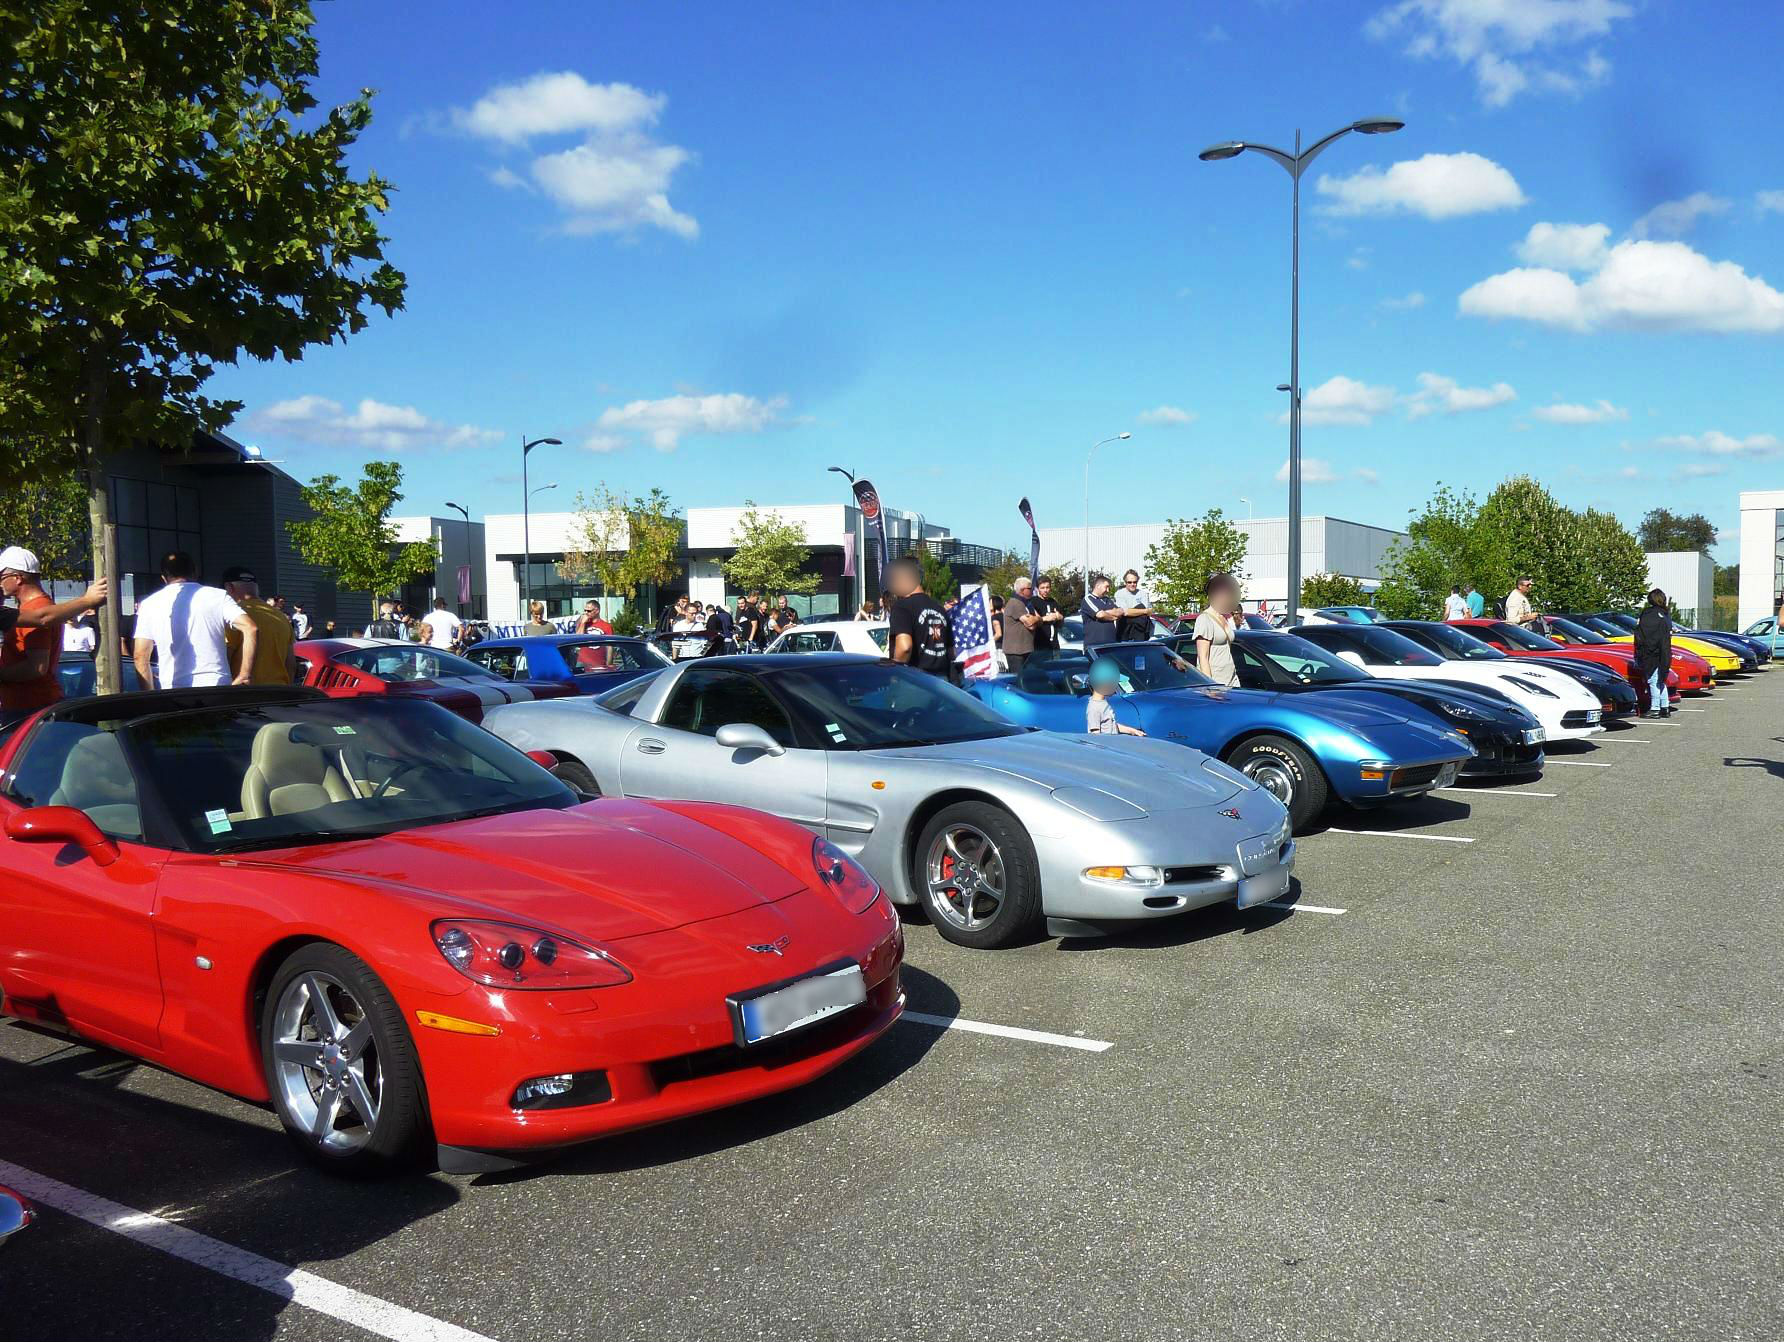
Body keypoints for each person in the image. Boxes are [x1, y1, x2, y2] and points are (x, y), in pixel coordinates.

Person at [132, 551, 256, 689]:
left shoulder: (149, 605)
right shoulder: (218, 596)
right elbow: (250, 627)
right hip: (215, 685)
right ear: (195, 572)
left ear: (164, 578)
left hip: (173, 690)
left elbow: (140, 656)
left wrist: (151, 697)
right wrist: (245, 674)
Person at [1, 548, 72, 726]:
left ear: (17, 578)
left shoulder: (34, 610)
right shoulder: (37, 608)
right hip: (28, 704)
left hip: (29, 707)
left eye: (1, 577)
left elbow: (37, 667)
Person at [221, 565, 296, 685]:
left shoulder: (236, 617)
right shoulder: (281, 617)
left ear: (228, 588)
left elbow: (224, 659)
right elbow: (290, 663)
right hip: (278, 694)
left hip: (245, 696)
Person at [885, 555, 953, 677]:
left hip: (915, 682)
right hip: (942, 682)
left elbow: (905, 647)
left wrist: (896, 675)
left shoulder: (902, 607)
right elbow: (952, 652)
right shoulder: (939, 608)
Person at [1192, 572, 1242, 688]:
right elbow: (1203, 658)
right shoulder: (1204, 619)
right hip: (1215, 681)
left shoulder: (1225, 617)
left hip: (1231, 679)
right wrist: (1211, 686)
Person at [1634, 587, 1673, 719]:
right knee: (1660, 680)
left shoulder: (1648, 614)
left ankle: (1655, 708)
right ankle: (1665, 707)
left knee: (1653, 681)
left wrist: (1639, 653)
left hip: (1650, 653)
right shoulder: (1665, 615)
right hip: (1664, 651)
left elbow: (1641, 635)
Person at [1085, 659, 1145, 737]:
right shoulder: (1094, 708)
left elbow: (1111, 725)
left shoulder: (1102, 702)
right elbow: (1095, 737)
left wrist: (1132, 731)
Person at [1002, 576, 1039, 678]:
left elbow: (1037, 619)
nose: (1032, 590)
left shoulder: (1027, 604)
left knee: (1029, 679)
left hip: (1026, 650)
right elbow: (1030, 624)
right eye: (1030, 588)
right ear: (1022, 590)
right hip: (1016, 652)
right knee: (1019, 680)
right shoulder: (1015, 603)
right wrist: (1038, 619)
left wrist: (1037, 619)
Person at [1080, 573, 1122, 648]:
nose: (1108, 590)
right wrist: (1113, 617)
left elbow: (1120, 611)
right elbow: (1100, 615)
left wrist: (1106, 613)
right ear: (1098, 586)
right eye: (1106, 587)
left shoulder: (1108, 600)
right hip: (1095, 646)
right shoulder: (1088, 599)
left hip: (1111, 644)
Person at [1113, 569, 1155, 642]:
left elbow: (1148, 613)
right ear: (1125, 582)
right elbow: (1125, 612)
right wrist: (1143, 611)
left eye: (1135, 582)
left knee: (1141, 609)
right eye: (1129, 582)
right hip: (1124, 631)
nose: (1132, 584)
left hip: (1140, 631)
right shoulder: (1119, 594)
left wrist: (1133, 611)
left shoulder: (1143, 594)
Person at [1030, 576, 1064, 655]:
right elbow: (1031, 621)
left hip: (1055, 646)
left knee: (1057, 665)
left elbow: (1061, 624)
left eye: (1047, 587)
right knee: (1043, 666)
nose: (1045, 590)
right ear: (1038, 588)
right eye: (1042, 588)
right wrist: (1045, 618)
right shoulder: (1033, 602)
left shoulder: (1053, 602)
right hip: (1040, 645)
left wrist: (1060, 617)